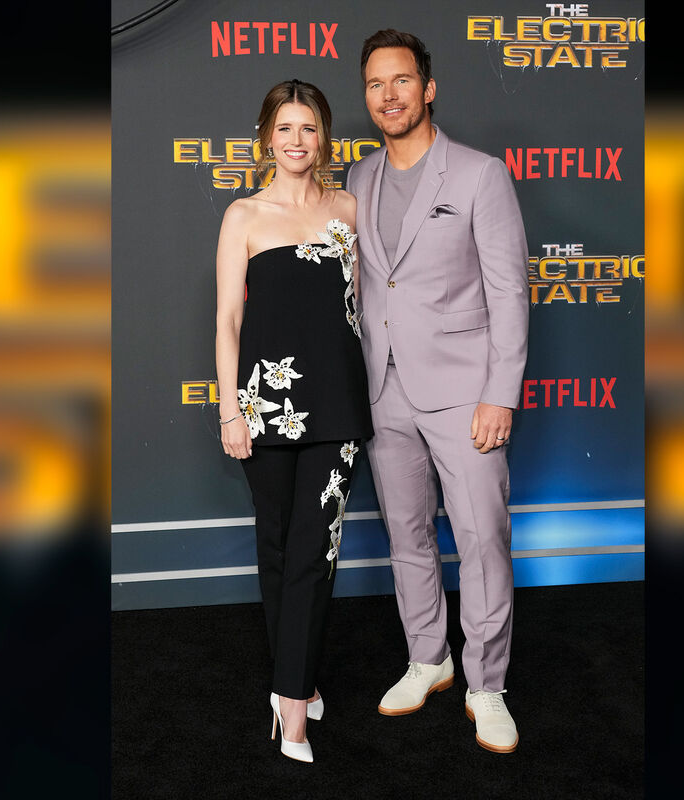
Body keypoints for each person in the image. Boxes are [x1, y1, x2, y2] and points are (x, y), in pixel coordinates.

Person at [346, 30, 529, 754]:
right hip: (382, 388)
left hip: (465, 391)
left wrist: (501, 392)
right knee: (407, 534)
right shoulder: (358, 176)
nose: (388, 95)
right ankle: (430, 658)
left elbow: (509, 291)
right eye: (375, 84)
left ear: (428, 89)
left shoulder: (481, 175)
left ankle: (487, 685)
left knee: (482, 539)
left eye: (401, 81)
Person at [214, 79, 372, 764]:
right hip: (264, 405)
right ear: (266, 137)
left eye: (309, 128)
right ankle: (294, 681)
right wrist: (230, 409)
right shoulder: (243, 215)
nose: (297, 141)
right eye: (285, 128)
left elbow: (366, 307)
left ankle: (293, 708)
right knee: (278, 548)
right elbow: (228, 319)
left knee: (314, 549)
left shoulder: (350, 210)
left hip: (337, 405)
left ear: (324, 137)